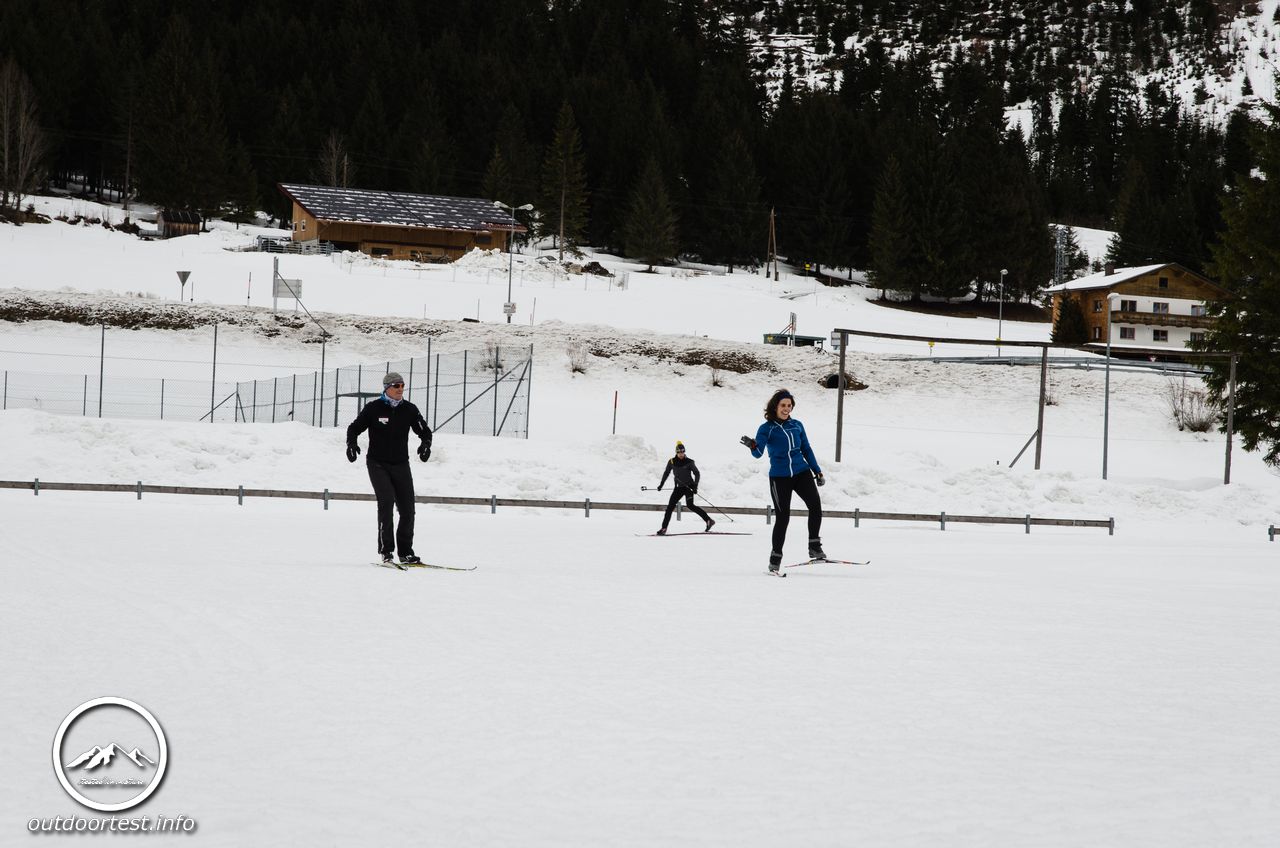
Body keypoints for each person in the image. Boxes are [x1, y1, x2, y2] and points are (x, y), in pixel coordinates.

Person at [346, 372, 433, 566]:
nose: (400, 389)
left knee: (408, 509)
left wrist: (425, 444)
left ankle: (406, 553)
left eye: (402, 386)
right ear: (387, 388)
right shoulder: (373, 408)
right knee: (386, 503)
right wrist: (351, 444)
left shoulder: (409, 410)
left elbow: (424, 430)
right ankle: (386, 552)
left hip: (401, 464)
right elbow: (354, 428)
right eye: (396, 386)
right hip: (377, 463)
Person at [740, 389, 826, 572]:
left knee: (815, 506)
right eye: (783, 405)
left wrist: (817, 470)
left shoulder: (797, 425)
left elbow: (806, 449)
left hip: (801, 472)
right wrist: (752, 445)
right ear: (775, 406)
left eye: (789, 405)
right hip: (780, 477)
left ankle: (814, 546)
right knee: (783, 517)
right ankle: (775, 558)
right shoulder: (766, 428)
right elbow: (758, 453)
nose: (786, 409)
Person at [655, 440, 714, 535]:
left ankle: (709, 520)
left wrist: (695, 486)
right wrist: (661, 484)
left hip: (689, 487)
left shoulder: (689, 462)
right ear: (676, 452)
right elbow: (666, 473)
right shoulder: (671, 461)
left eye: (683, 452)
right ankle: (664, 528)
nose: (681, 454)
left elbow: (697, 473)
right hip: (678, 488)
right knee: (669, 508)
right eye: (679, 452)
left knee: (690, 505)